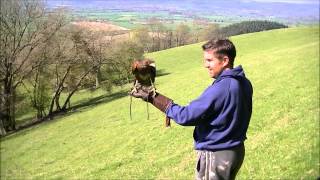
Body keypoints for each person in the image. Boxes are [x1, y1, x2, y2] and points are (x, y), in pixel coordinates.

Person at [130, 38, 253, 180]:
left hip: (217, 153)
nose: (205, 65)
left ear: (225, 60)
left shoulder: (222, 88)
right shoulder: (243, 81)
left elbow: (186, 116)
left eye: (209, 60)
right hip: (235, 150)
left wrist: (153, 98)